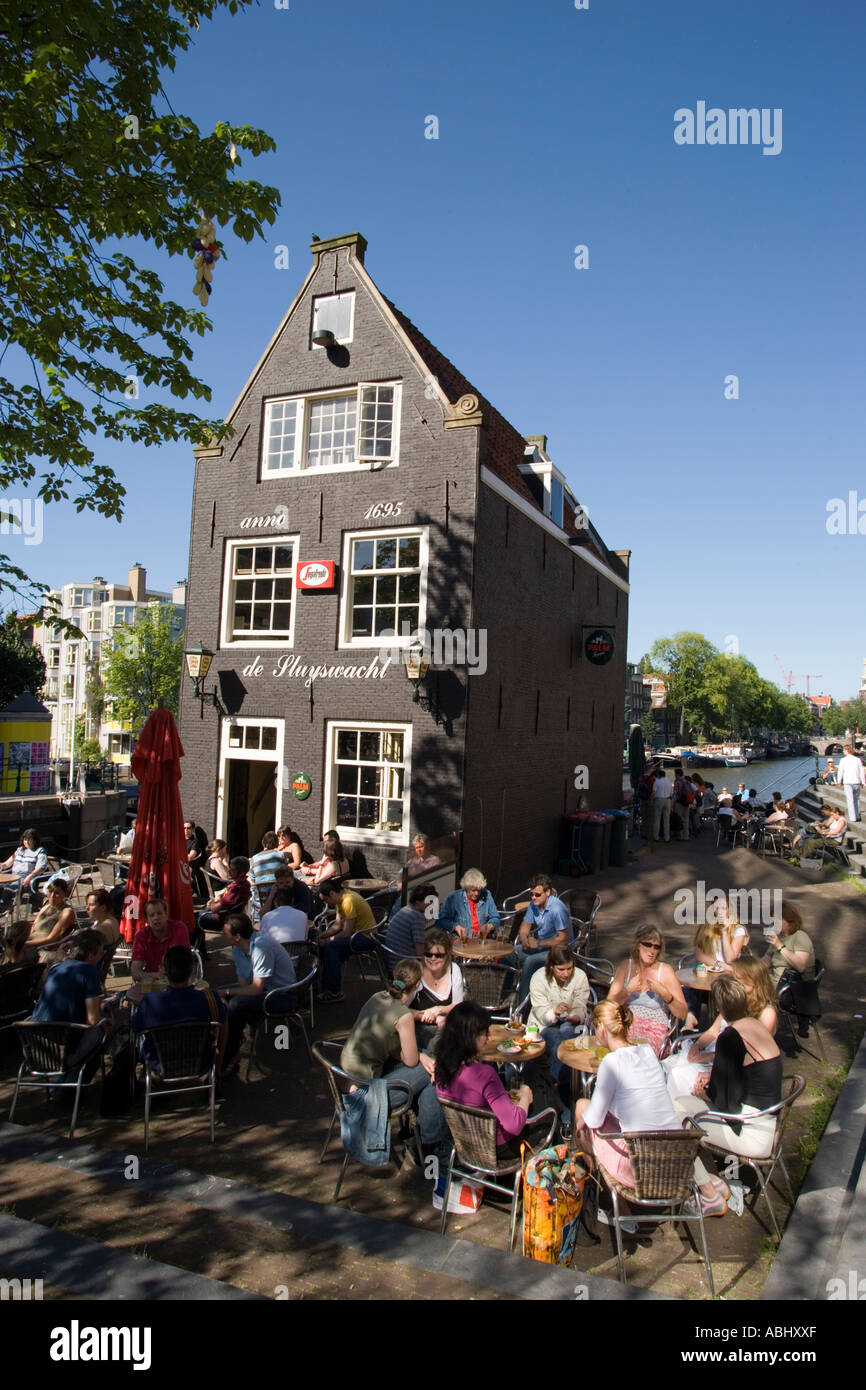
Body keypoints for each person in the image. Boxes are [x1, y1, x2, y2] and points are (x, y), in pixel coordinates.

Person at [572, 999, 725, 1225]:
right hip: (674, 1161)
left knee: (581, 1116)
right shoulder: (647, 1051)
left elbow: (593, 1119)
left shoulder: (611, 1062)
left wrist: (580, 1127)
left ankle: (619, 1210)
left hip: (639, 1168)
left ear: (601, 1029)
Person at [674, 976, 782, 1215]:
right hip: (768, 1122)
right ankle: (714, 1180)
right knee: (681, 1106)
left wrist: (703, 1093)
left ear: (719, 1008)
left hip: (750, 1133)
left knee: (677, 1120)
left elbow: (726, 1103)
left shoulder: (730, 1037)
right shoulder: (755, 1026)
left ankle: (710, 1194)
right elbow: (744, 1079)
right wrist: (712, 1085)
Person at [664, 957, 778, 1103]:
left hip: (731, 1068)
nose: (733, 983)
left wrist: (708, 1059)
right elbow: (712, 1031)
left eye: (738, 980)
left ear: (753, 981)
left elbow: (746, 1056)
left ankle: (680, 1116)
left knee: (678, 1074)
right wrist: (697, 1046)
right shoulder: (734, 1002)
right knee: (666, 1068)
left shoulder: (766, 1013)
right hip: (719, 1059)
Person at [435, 1001, 533, 1156]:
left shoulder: (441, 1067)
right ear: (468, 1037)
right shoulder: (484, 1074)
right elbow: (514, 1125)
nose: (488, 1036)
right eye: (483, 1032)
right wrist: (525, 1098)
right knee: (540, 1107)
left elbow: (473, 1100)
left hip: (464, 1145)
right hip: (495, 1148)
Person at [31, 928, 114, 1080]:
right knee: (106, 1030)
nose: (102, 957)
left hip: (35, 1050)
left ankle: (67, 1086)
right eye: (101, 953)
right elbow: (93, 1020)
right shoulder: (88, 971)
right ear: (91, 955)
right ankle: (69, 1085)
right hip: (63, 1052)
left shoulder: (56, 968)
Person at [220, 913, 297, 1070]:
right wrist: (224, 994)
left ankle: (230, 1052)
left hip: (281, 995)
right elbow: (243, 985)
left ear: (237, 937)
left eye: (225, 933)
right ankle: (226, 1039)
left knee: (235, 1004)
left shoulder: (262, 946)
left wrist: (227, 993)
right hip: (264, 991)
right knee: (214, 996)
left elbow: (255, 989)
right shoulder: (237, 950)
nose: (222, 936)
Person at [133, 944, 227, 1068]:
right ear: (192, 970)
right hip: (200, 1064)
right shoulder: (209, 999)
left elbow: (135, 1027)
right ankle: (220, 1069)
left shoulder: (150, 1002)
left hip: (159, 1065)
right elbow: (223, 1024)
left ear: (164, 971)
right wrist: (218, 1065)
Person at [528, 943, 590, 1120]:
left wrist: (574, 1016)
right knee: (558, 1033)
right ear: (551, 967)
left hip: (570, 1028)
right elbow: (541, 1014)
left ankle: (552, 1084)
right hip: (543, 1027)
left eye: (569, 968)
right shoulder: (539, 978)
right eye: (561, 969)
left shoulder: (580, 977)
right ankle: (561, 1090)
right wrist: (554, 1011)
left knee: (566, 1030)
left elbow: (581, 1007)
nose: (566, 973)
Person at [607, 926, 688, 1055]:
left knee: (637, 1052)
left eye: (656, 947)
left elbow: (683, 1013)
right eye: (648, 945)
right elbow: (608, 1005)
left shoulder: (665, 971)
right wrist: (627, 991)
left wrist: (666, 995)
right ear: (638, 945)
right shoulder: (626, 967)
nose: (652, 951)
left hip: (654, 1028)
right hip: (627, 1024)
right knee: (615, 1049)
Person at [505, 874, 573, 998]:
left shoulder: (557, 909)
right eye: (531, 894)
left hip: (560, 950)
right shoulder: (533, 905)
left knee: (530, 962)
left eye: (537, 895)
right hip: (542, 946)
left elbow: (563, 939)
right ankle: (504, 996)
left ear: (548, 893)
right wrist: (525, 938)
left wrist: (538, 943)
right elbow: (525, 926)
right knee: (509, 954)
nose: (533, 898)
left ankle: (522, 1007)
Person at [317, 879, 378, 1002]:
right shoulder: (341, 899)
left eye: (325, 900)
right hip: (356, 935)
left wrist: (329, 940)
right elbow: (337, 925)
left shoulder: (348, 901)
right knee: (326, 946)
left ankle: (335, 991)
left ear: (332, 894)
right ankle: (327, 984)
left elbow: (346, 932)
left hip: (365, 938)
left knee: (331, 947)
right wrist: (322, 936)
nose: (326, 904)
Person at [410, 928, 465, 1044]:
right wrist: (428, 1016)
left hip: (447, 1028)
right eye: (428, 954)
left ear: (447, 955)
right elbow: (400, 1009)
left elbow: (458, 1005)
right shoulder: (416, 973)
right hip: (417, 1031)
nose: (433, 959)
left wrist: (438, 1010)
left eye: (438, 955)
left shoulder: (454, 970)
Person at [130, 898, 190, 982]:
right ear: (146, 920)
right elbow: (135, 972)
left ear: (166, 914)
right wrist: (155, 976)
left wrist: (152, 976)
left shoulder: (179, 928)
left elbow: (178, 966)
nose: (156, 917)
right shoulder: (141, 936)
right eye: (152, 915)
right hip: (153, 984)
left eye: (159, 913)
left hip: (178, 982)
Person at [762, 902, 815, 988]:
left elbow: (801, 967)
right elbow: (765, 962)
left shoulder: (800, 937)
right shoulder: (778, 937)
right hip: (775, 981)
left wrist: (780, 946)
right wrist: (748, 967)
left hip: (793, 986)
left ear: (789, 919)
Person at [437, 868, 500, 939]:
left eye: (479, 890)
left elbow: (496, 918)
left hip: (481, 940)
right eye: (473, 890)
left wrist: (489, 926)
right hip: (461, 940)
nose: (476, 893)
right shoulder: (453, 898)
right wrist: (455, 927)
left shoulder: (486, 894)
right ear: (466, 888)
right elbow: (440, 921)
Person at [197, 856, 251, 931]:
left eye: (232, 870)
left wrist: (211, 904)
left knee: (191, 920)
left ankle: (195, 942)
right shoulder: (245, 883)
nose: (229, 871)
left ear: (241, 873)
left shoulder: (235, 890)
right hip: (226, 915)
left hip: (221, 919)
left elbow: (214, 909)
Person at [0, 828, 49, 908]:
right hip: (13, 875)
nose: (26, 842)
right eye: (25, 839)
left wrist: (29, 877)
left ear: (35, 840)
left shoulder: (39, 851)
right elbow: (7, 864)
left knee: (11, 888)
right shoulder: (20, 850)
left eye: (29, 839)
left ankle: (4, 906)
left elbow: (41, 868)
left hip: (26, 877)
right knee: (2, 886)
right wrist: (1, 866)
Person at [247, 832, 288, 921]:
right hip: (279, 899)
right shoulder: (281, 855)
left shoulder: (254, 859)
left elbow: (253, 880)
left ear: (263, 842)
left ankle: (256, 918)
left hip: (260, 902)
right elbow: (286, 874)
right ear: (276, 843)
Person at [385, 884, 431, 958]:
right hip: (406, 964)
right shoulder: (417, 917)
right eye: (428, 901)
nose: (430, 904)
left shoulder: (407, 909)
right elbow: (420, 954)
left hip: (393, 958)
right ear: (417, 901)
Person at [27, 878, 77, 946]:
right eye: (50, 892)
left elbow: (51, 939)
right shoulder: (45, 907)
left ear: (65, 894)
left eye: (57, 893)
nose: (52, 896)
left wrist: (26, 944)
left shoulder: (66, 912)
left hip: (44, 946)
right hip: (31, 941)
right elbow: (33, 927)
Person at [837, 745, 865, 824]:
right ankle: (858, 815)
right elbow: (861, 771)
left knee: (850, 800)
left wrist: (839, 781)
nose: (843, 751)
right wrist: (863, 782)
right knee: (857, 799)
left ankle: (853, 817)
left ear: (846, 750)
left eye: (843, 750)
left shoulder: (843, 760)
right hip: (856, 781)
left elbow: (840, 771)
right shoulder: (857, 760)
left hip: (848, 782)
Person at [651, 768, 673, 842]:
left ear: (658, 775)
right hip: (667, 800)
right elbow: (671, 793)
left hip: (659, 800)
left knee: (657, 819)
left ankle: (656, 837)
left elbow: (653, 793)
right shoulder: (669, 782)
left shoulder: (657, 782)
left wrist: (651, 801)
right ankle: (667, 838)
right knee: (667, 820)